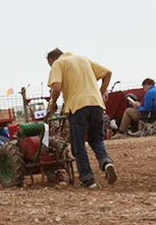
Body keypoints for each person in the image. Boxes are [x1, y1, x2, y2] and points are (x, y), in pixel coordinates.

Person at [43, 48, 117, 188]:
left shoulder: (58, 64)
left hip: (77, 106)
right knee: (96, 139)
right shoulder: (83, 59)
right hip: (96, 104)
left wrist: (52, 104)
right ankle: (106, 162)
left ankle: (88, 180)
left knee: (78, 145)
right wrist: (100, 94)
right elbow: (108, 73)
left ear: (52, 60)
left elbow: (57, 88)